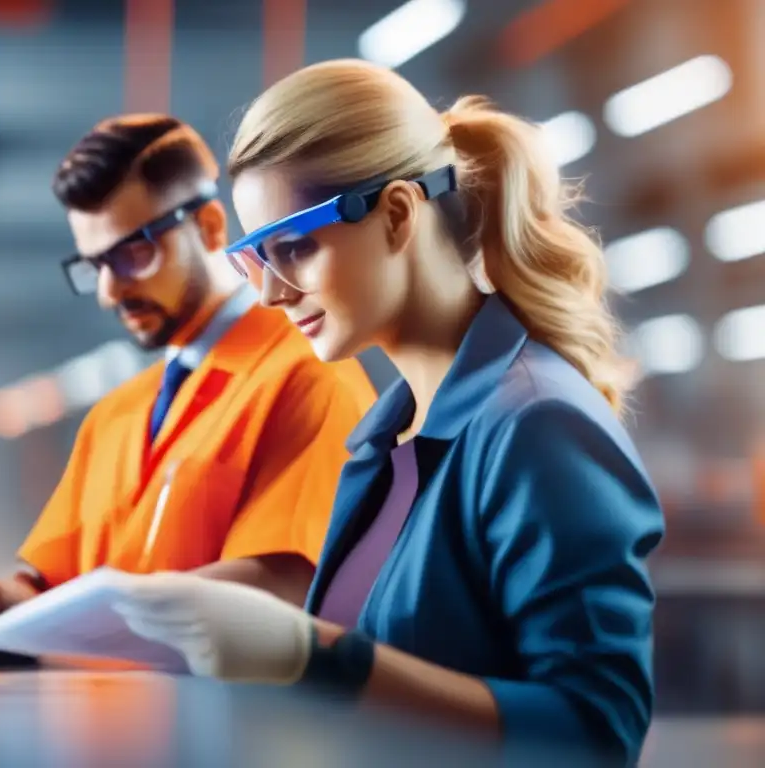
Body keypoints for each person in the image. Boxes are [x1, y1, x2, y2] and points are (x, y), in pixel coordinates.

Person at [62, 62, 665, 763]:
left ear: (400, 215)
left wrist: (315, 655)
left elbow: (596, 734)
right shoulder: (386, 442)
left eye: (294, 249)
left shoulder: (535, 425)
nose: (271, 295)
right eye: (256, 259)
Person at [0, 114, 378, 613]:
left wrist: (98, 613)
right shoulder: (113, 417)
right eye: (96, 265)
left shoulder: (307, 376)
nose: (109, 292)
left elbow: (287, 583)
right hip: (108, 690)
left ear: (209, 227)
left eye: (133, 255)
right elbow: (48, 589)